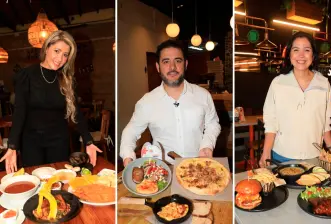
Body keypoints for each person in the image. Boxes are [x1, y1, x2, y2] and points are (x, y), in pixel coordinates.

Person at [0, 30, 102, 173]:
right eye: (57, 51)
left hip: (59, 141)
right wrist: (12, 146)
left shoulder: (66, 80)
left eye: (65, 55)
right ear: (46, 48)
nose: (60, 58)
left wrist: (88, 141)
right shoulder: (27, 76)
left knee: (58, 181)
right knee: (36, 181)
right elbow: (19, 112)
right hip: (31, 142)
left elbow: (76, 112)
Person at [120, 40, 221, 166]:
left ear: (185, 64)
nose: (172, 67)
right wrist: (128, 156)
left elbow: (212, 124)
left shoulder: (203, 95)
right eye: (166, 61)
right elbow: (130, 131)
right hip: (163, 171)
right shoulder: (147, 102)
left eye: (178, 61)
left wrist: (207, 146)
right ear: (158, 67)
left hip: (198, 166)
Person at [259, 31, 331, 168]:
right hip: (282, 155)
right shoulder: (278, 83)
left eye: (307, 50)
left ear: (313, 55)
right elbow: (271, 120)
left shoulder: (323, 83)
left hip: (314, 155)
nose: (301, 55)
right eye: (296, 50)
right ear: (289, 54)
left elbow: (324, 120)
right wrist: (266, 151)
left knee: (313, 189)